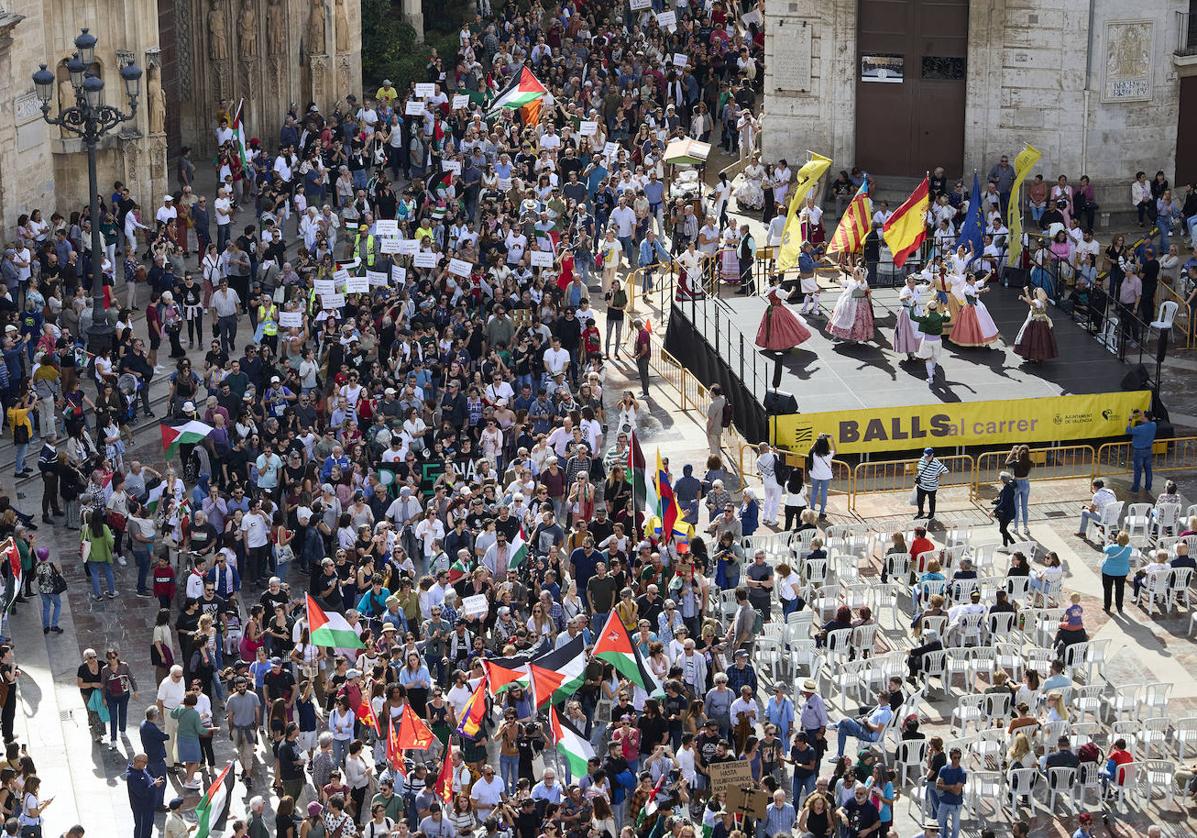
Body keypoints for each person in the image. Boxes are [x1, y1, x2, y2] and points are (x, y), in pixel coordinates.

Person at [755, 288, 812, 352]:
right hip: (778, 310)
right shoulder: (778, 291)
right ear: (775, 281)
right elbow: (787, 296)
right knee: (784, 327)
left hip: (770, 309)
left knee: (770, 327)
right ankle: (783, 344)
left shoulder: (769, 288)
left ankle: (771, 344)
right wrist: (792, 290)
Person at [910, 299, 952, 385]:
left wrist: (912, 307)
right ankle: (932, 370)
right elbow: (948, 318)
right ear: (936, 308)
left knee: (928, 358)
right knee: (934, 356)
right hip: (937, 340)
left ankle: (930, 378)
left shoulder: (925, 318)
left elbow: (913, 317)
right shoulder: (940, 316)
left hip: (927, 340)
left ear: (928, 308)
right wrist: (946, 311)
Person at [827, 268, 874, 343]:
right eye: (853, 274)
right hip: (845, 304)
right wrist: (834, 281)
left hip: (857, 305)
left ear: (860, 275)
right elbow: (843, 283)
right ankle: (837, 335)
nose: (853, 275)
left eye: (855, 274)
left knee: (857, 322)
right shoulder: (851, 281)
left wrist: (860, 274)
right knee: (840, 319)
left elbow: (863, 285)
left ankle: (854, 338)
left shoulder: (863, 282)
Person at [124, 755, 163, 838]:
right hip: (141, 809)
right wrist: (154, 785)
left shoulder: (141, 770)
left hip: (149, 806)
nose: (146, 764)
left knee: (148, 829)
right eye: (144, 762)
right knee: (142, 831)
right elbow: (141, 793)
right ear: (137, 761)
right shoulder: (132, 776)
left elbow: (148, 779)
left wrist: (154, 780)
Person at [1003, 444, 1035, 537]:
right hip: (1025, 483)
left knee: (1016, 507)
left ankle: (1016, 528)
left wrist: (1012, 452)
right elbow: (1026, 457)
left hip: (1016, 484)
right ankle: (1025, 527)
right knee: (1024, 507)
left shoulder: (1016, 463)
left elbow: (1006, 462)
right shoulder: (1030, 462)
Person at [934, 747, 966, 838]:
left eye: (959, 758)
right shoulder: (943, 769)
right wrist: (952, 786)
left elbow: (957, 792)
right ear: (951, 758)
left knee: (955, 827)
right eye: (955, 757)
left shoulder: (962, 772)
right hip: (944, 802)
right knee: (940, 825)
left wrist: (945, 786)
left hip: (956, 804)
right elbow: (938, 786)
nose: (957, 760)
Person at [1100, 531, 1134, 614]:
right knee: (1120, 589)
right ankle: (1119, 607)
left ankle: (1107, 606)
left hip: (1108, 571)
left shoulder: (1111, 547)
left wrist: (1109, 542)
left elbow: (1104, 549)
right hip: (1122, 572)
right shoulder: (1129, 548)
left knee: (1107, 589)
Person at [1125, 408, 1157, 494]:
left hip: (1139, 451)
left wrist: (1130, 420)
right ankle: (1148, 487)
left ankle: (1135, 489)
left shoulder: (1139, 428)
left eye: (1143, 417)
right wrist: (1142, 413)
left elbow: (1128, 430)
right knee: (1148, 470)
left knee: (1138, 471)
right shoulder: (1154, 425)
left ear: (1146, 418)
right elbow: (1147, 420)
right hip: (1148, 450)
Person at [913, 448, 949, 523]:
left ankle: (931, 515)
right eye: (925, 456)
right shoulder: (922, 459)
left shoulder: (936, 463)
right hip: (921, 485)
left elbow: (945, 471)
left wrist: (939, 477)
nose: (926, 458)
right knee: (920, 500)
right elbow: (919, 468)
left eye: (928, 456)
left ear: (932, 455)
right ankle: (920, 513)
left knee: (931, 501)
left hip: (931, 487)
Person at [990, 471, 1017, 547]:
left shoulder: (1006, 489)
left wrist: (993, 511)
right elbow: (1003, 499)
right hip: (1008, 512)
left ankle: (1013, 543)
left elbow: (1003, 502)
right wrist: (995, 501)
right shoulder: (1009, 487)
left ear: (1002, 480)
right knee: (1004, 528)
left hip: (1006, 513)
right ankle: (1005, 545)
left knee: (1002, 529)